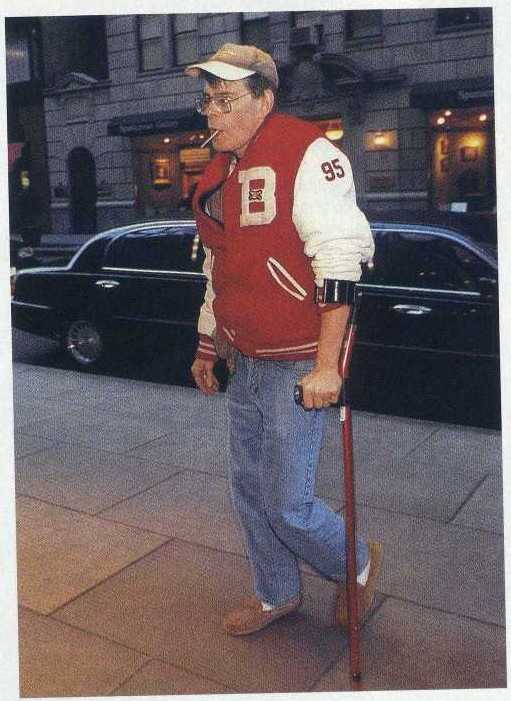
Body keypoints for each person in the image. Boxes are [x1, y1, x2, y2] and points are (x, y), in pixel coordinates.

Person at [186, 43, 382, 636]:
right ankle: (277, 593)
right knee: (249, 490)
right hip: (245, 356)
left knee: (289, 504)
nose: (212, 113)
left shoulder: (307, 151)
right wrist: (207, 342)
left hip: (296, 361)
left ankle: (357, 563)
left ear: (265, 99)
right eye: (208, 100)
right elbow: (218, 267)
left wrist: (327, 366)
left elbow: (341, 258)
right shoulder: (221, 170)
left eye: (226, 99)